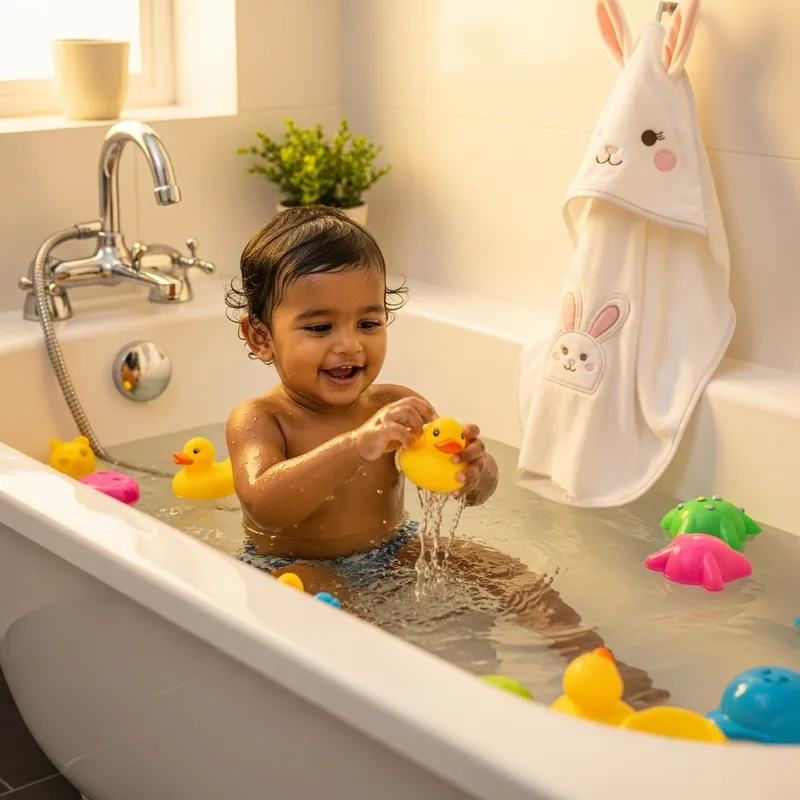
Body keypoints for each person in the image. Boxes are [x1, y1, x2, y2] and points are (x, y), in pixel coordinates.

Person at [225, 205, 668, 707]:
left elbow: (467, 492)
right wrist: (356, 445)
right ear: (261, 337)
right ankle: (395, 697)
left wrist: (474, 470)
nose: (349, 345)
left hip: (394, 549)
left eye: (368, 322)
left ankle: (589, 657)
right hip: (295, 563)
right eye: (320, 328)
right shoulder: (261, 418)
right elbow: (263, 501)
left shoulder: (391, 404)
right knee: (330, 609)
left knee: (505, 569)